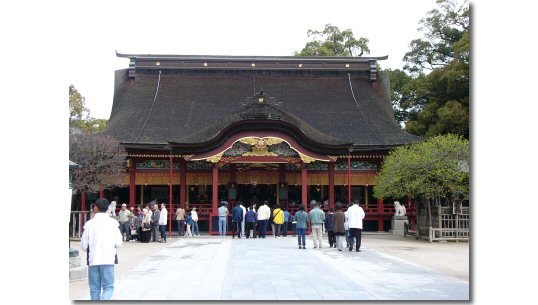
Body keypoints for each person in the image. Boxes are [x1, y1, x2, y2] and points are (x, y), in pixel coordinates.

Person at [81, 198, 123, 300]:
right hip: (108, 259)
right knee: (108, 287)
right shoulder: (113, 223)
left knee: (95, 289)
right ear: (108, 208)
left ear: (95, 208)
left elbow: (84, 246)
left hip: (94, 259)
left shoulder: (89, 224)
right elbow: (119, 243)